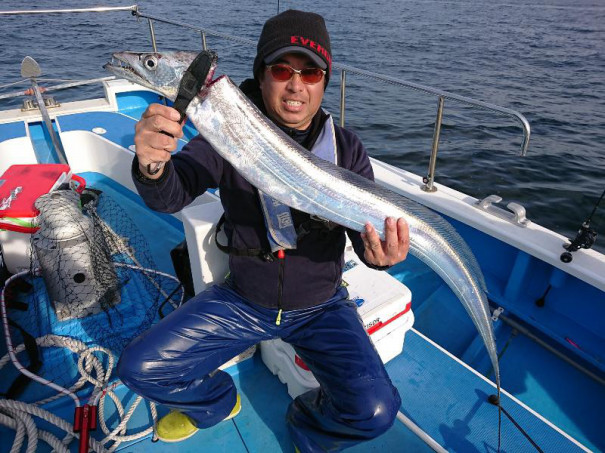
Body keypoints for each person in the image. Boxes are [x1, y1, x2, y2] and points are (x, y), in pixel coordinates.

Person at [117, 9, 410, 452]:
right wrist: (152, 164)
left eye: (311, 72)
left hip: (321, 306)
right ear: (262, 75)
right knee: (139, 368)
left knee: (376, 412)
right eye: (282, 69)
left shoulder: (347, 149)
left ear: (324, 81)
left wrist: (380, 256)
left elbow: (363, 238)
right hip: (243, 300)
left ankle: (308, 425)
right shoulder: (229, 129)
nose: (296, 84)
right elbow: (173, 194)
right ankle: (216, 403)